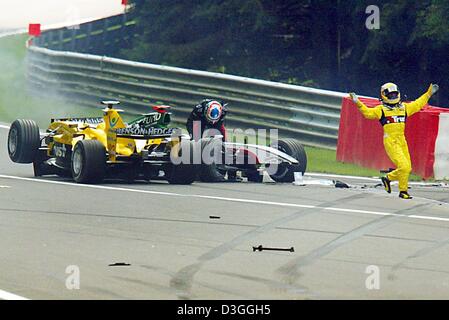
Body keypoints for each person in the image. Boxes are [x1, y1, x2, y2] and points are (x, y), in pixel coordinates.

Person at [349, 83, 439, 199]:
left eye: (394, 94)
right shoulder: (381, 109)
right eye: (390, 95)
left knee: (407, 168)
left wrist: (428, 94)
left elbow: (418, 104)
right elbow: (368, 113)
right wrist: (357, 102)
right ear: (384, 95)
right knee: (405, 167)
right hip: (391, 141)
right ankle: (395, 183)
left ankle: (396, 186)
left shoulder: (404, 108)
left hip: (402, 140)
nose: (392, 97)